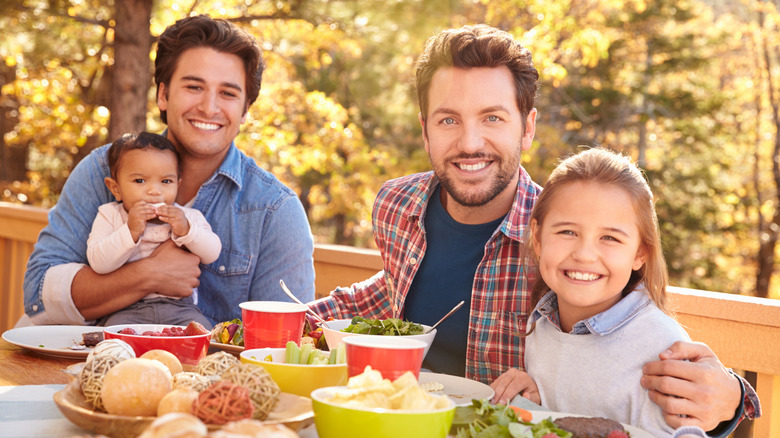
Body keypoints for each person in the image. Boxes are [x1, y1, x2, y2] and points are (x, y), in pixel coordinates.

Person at [308, 24, 759, 435]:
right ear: (425, 130)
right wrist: (287, 322)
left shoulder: (564, 238)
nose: (469, 143)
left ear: (527, 127)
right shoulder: (396, 206)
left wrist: (733, 397)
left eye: (492, 118)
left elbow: (624, 340)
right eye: (449, 119)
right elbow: (392, 289)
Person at [23, 15, 315, 327]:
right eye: (194, 86)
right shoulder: (101, 170)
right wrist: (148, 274)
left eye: (228, 93)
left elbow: (284, 341)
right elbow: (37, 295)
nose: (209, 107)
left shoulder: (275, 210)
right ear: (163, 95)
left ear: (244, 110)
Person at [519, 147, 720, 437]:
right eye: (567, 232)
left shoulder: (662, 348)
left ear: (640, 253)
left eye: (609, 238)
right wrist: (533, 404)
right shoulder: (541, 323)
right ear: (537, 238)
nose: (585, 254)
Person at [87, 132, 221, 327]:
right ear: (115, 188)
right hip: (126, 308)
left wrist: (187, 231)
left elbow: (213, 253)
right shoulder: (110, 215)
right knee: (111, 338)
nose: (155, 191)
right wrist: (130, 231)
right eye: (140, 181)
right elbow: (98, 262)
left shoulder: (188, 217)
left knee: (203, 334)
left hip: (180, 308)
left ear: (178, 184)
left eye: (166, 181)